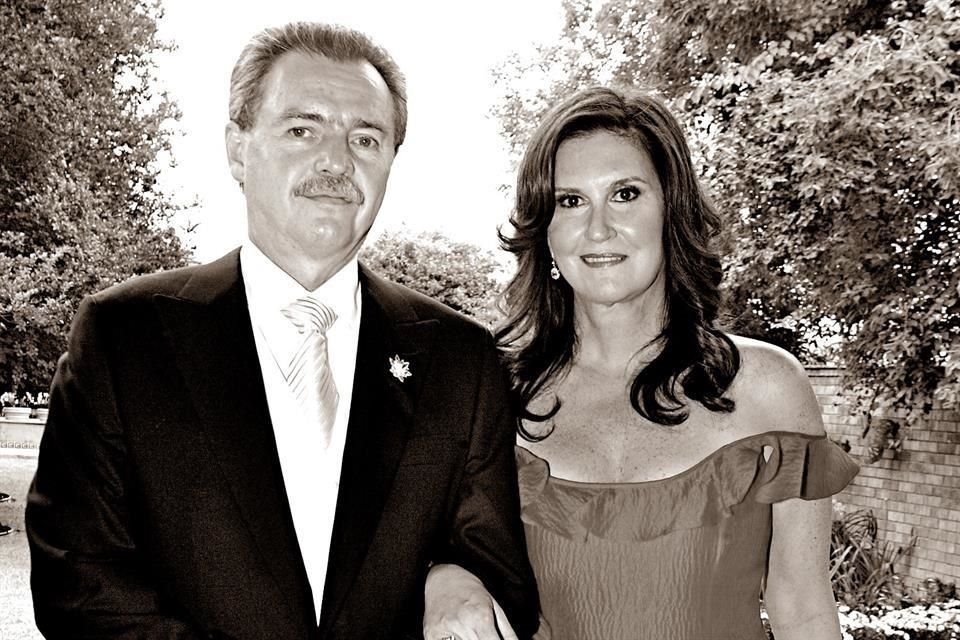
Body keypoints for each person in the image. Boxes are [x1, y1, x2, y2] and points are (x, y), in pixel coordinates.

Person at [26, 22, 539, 639]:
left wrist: (450, 575)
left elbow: (499, 573)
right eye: (303, 129)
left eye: (366, 139)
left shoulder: (460, 358)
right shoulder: (124, 338)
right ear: (238, 150)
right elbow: (79, 582)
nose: (337, 161)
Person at [424, 87, 859, 640]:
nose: (598, 229)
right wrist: (438, 575)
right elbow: (401, 550)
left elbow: (805, 609)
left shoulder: (766, 388)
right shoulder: (493, 395)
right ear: (546, 231)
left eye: (625, 194)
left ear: (670, 210)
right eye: (570, 201)